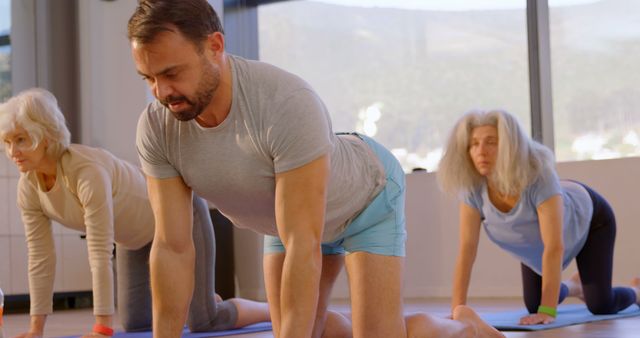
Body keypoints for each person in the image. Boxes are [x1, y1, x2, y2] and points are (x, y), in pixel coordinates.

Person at [127, 1, 506, 337]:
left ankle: (466, 327)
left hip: (364, 200)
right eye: (149, 78)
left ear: (215, 47)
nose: (161, 92)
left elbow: (303, 245)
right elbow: (173, 247)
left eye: (172, 73)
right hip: (287, 217)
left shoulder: (285, 102)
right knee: (308, 327)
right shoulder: (158, 126)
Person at [0, 88, 269, 338]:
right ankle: (199, 296)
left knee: (206, 320)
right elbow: (40, 257)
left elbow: (99, 250)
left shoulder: (86, 171)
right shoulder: (29, 187)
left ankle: (269, 308)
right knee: (136, 324)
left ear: (45, 137)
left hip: (179, 217)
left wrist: (102, 327)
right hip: (134, 239)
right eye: (8, 142)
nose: (12, 152)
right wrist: (36, 329)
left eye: (21, 140)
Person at [437, 109, 640, 325]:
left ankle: (636, 291)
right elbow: (467, 250)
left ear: (509, 146)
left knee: (600, 305)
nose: (481, 151)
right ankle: (574, 287)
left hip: (590, 219)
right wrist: (457, 311)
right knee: (535, 304)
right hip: (537, 244)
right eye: (473, 144)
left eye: (491, 142)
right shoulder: (473, 190)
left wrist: (548, 312)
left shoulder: (538, 177)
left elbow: (553, 246)